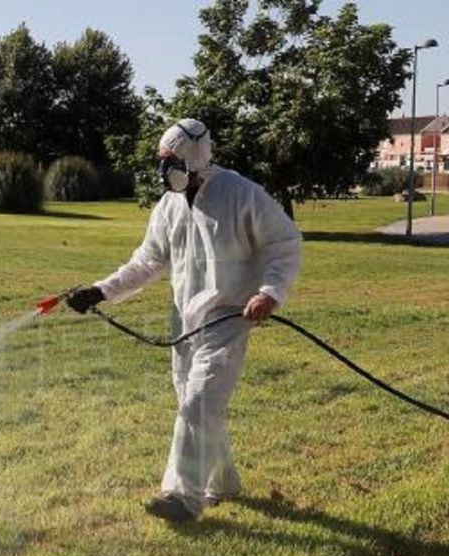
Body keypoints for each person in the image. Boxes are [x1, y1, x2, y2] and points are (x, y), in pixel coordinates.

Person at [66, 118, 302, 522]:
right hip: (184, 320)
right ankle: (222, 482)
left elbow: (284, 243)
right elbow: (147, 261)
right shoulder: (168, 206)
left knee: (198, 401)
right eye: (162, 160)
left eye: (171, 160)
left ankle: (182, 496)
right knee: (196, 404)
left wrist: (269, 292)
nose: (164, 168)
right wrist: (101, 290)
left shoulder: (241, 194)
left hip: (228, 314)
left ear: (195, 157)